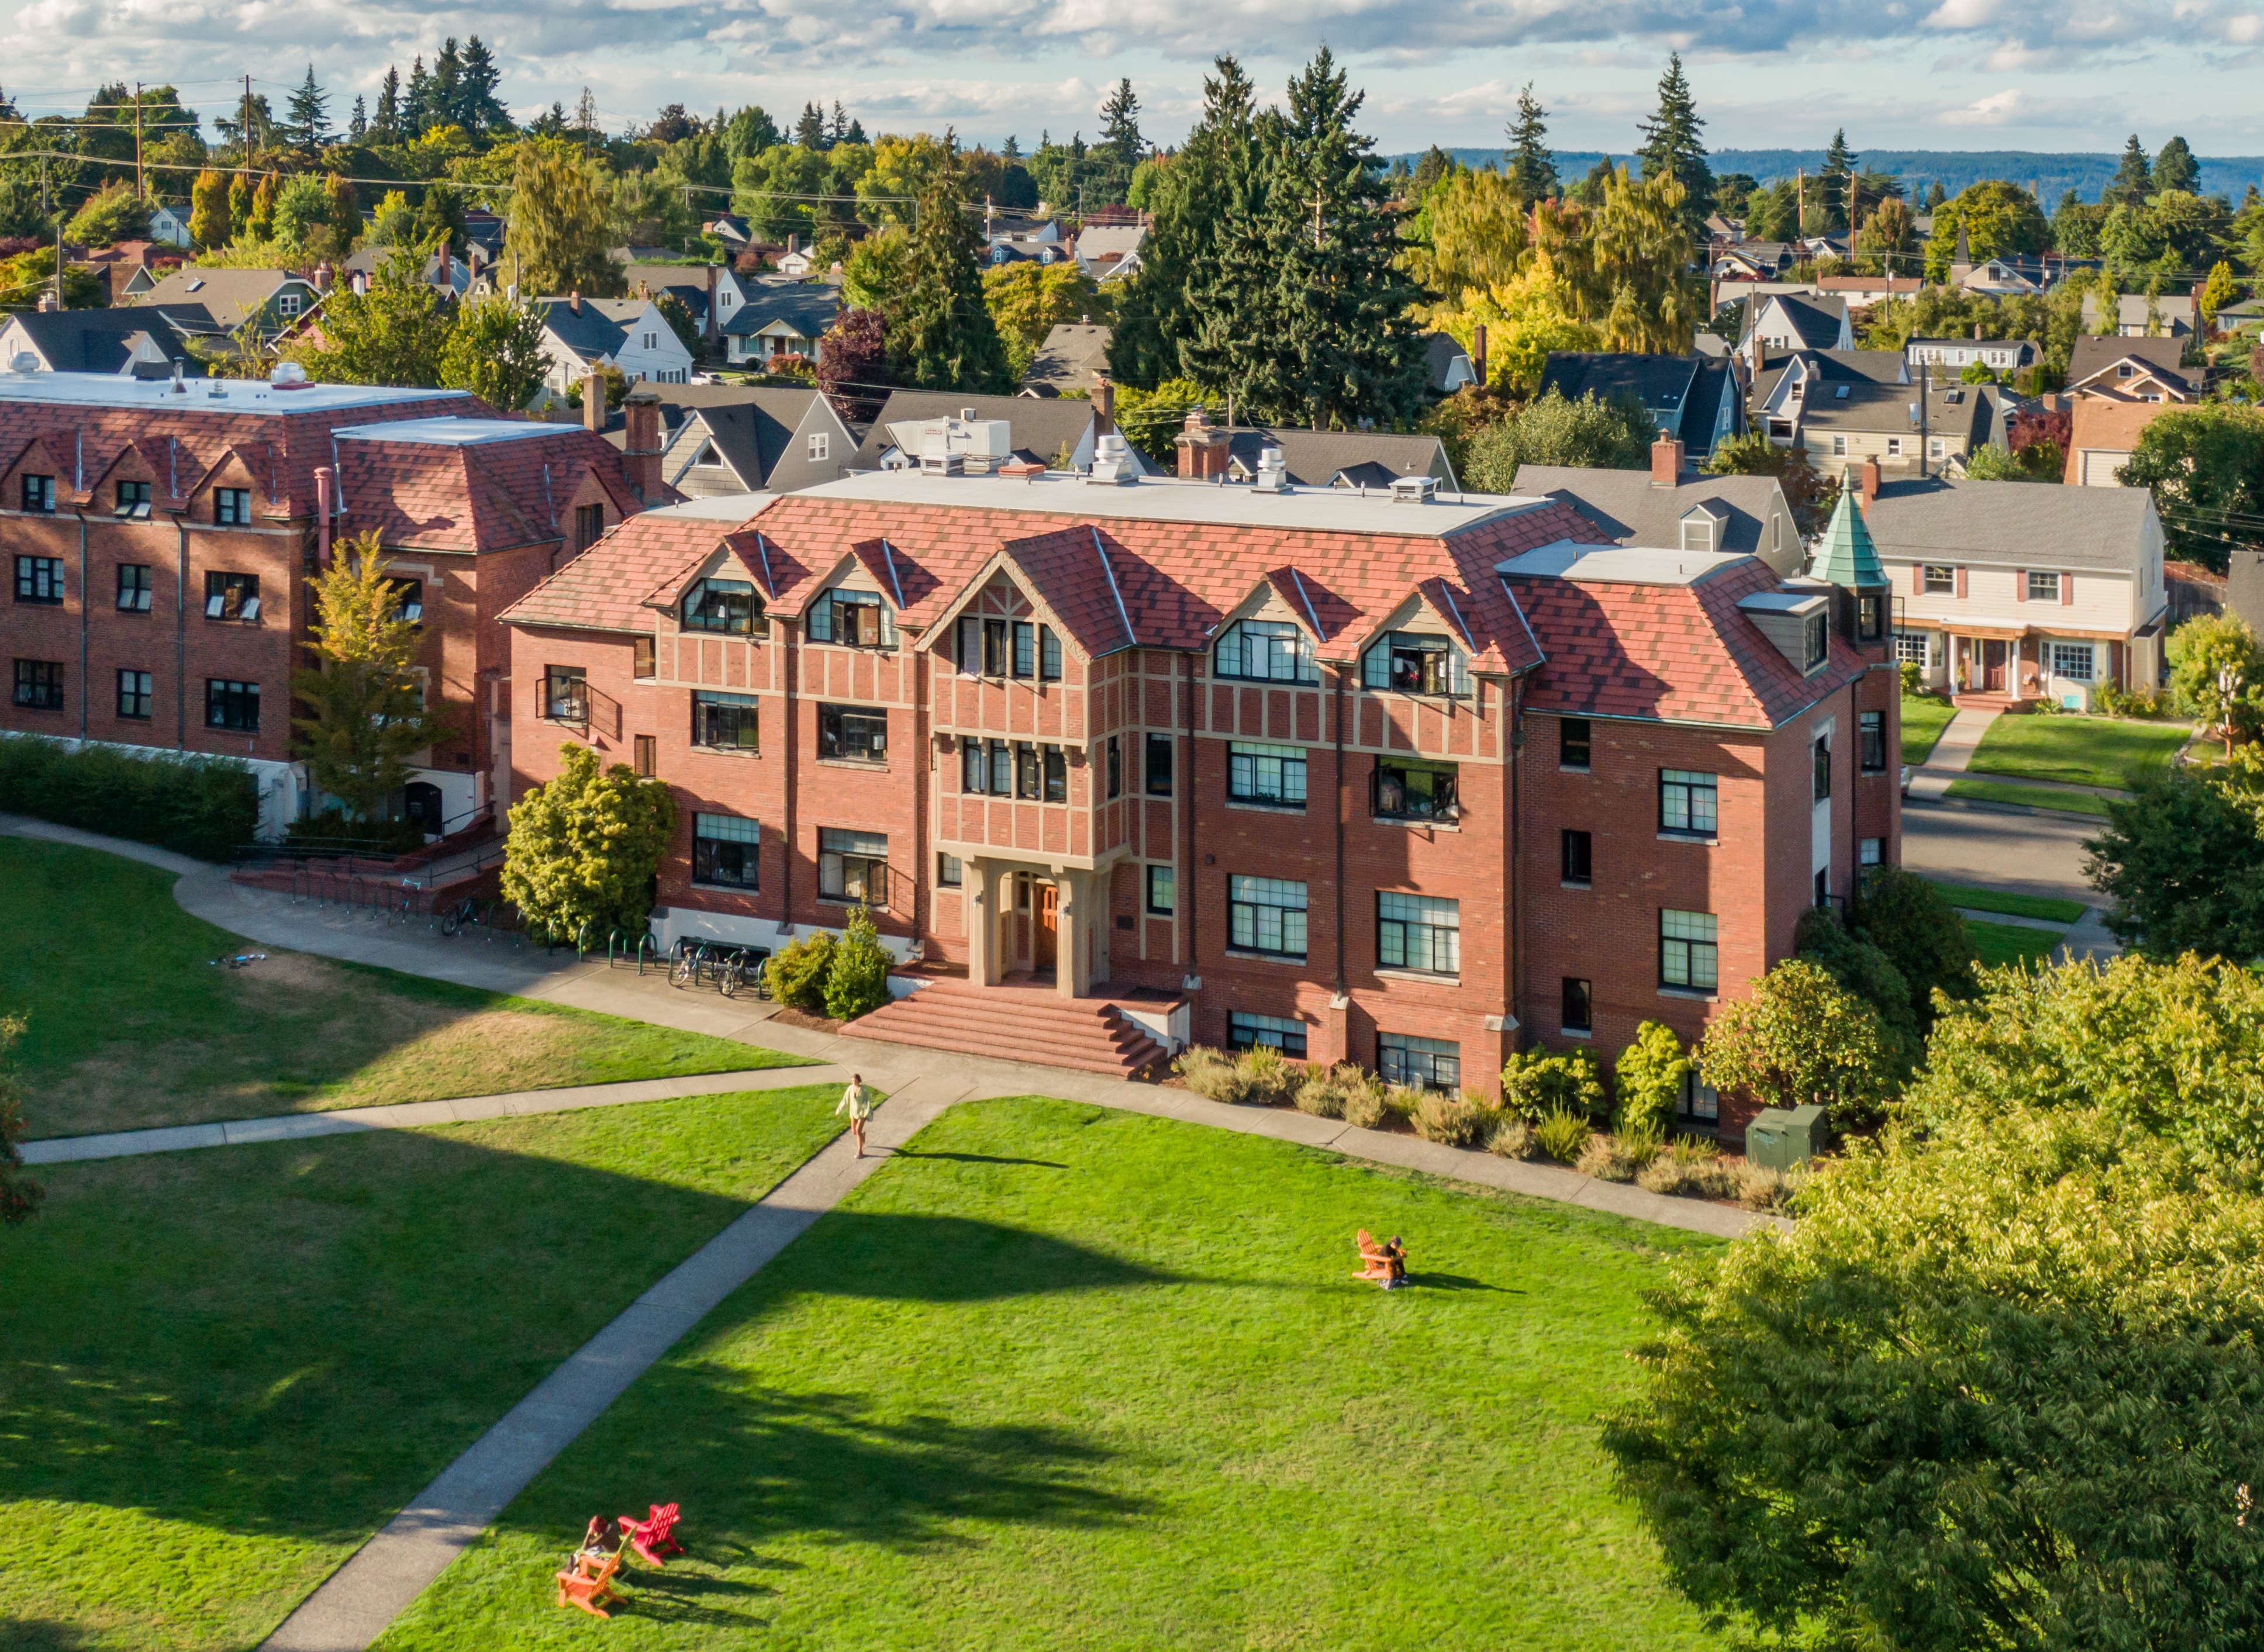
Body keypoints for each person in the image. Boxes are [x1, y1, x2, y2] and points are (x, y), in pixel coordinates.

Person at [836, 1072, 873, 1157]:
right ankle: (862, 1135)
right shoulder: (850, 1089)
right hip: (853, 1113)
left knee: (858, 1131)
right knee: (854, 1132)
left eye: (855, 1081)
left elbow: (866, 1102)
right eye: (852, 1081)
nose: (854, 1082)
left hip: (862, 1114)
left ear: (858, 1081)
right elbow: (845, 1100)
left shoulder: (864, 1090)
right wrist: (839, 1110)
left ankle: (860, 1151)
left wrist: (865, 1112)